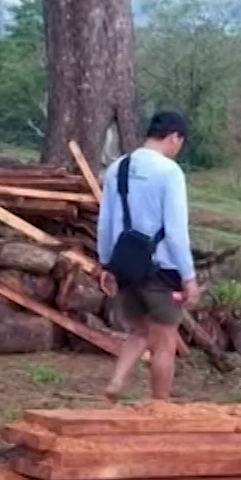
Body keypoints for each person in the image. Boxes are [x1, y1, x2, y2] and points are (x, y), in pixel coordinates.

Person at [97, 110, 200, 402]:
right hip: (161, 270)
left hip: (126, 266)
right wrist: (189, 278)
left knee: (139, 331)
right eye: (180, 141)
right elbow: (177, 231)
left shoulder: (119, 167)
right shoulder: (169, 172)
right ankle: (161, 406)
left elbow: (105, 221)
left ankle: (117, 380)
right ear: (174, 137)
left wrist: (106, 264)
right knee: (164, 343)